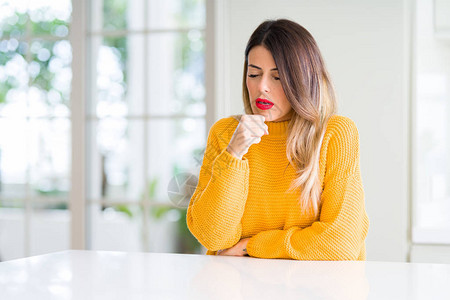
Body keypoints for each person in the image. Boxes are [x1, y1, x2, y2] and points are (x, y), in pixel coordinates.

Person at [186, 19, 369, 260]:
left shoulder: (335, 134)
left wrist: (250, 246)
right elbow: (213, 237)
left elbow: (341, 243)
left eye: (278, 77)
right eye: (254, 74)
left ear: (303, 79)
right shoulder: (226, 133)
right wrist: (233, 154)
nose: (262, 87)